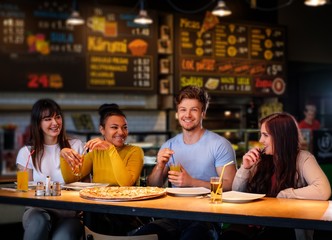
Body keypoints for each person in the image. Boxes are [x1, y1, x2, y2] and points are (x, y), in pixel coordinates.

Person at [133, 85, 237, 240]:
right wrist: (160, 165)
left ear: (203, 113)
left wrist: (192, 182)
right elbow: (153, 186)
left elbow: (231, 186)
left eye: (194, 109)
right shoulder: (169, 145)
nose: (187, 115)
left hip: (207, 217)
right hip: (174, 215)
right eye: (183, 109)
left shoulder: (220, 145)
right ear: (177, 113)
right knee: (142, 236)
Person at [224, 112, 331, 240]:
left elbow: (323, 190)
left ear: (281, 136)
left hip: (285, 225)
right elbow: (237, 192)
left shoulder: (303, 158)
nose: (260, 141)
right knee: (229, 236)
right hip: (255, 222)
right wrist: (245, 168)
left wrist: (285, 195)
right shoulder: (261, 159)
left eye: (265, 135)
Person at [60, 103, 144, 235]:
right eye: (114, 127)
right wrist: (64, 155)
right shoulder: (96, 153)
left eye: (125, 127)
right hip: (100, 210)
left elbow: (126, 182)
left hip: (125, 213)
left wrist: (110, 150)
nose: (121, 132)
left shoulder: (135, 151)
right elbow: (71, 178)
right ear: (102, 130)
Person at [16, 98, 85, 240]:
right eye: (48, 119)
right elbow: (23, 190)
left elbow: (86, 185)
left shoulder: (76, 146)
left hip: (70, 214)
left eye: (57, 117)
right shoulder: (26, 152)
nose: (55, 123)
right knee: (38, 222)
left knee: (63, 236)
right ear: (38, 123)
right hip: (37, 211)